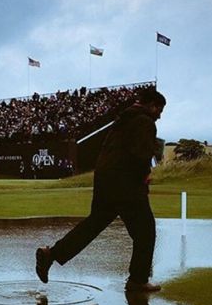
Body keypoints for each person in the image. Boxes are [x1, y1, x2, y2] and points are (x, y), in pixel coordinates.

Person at [35, 89, 166, 292]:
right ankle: (138, 281)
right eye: (160, 109)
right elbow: (140, 155)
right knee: (146, 232)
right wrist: (145, 175)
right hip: (127, 184)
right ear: (152, 105)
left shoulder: (123, 119)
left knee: (93, 225)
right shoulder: (145, 121)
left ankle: (51, 254)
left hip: (105, 181)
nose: (160, 114)